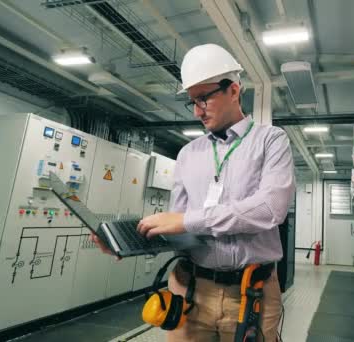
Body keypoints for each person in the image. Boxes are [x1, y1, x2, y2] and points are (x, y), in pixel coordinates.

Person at [93, 43, 295, 342]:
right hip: (190, 290)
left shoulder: (271, 140)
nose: (198, 110)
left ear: (234, 91)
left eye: (204, 98)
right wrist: (131, 241)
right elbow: (179, 227)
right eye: (192, 102)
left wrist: (189, 221)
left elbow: (270, 209)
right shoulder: (188, 153)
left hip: (252, 292)